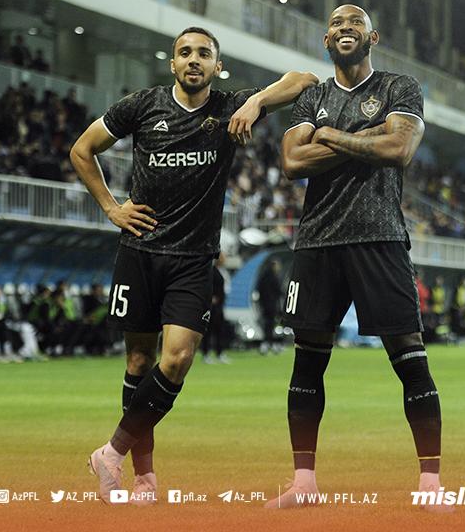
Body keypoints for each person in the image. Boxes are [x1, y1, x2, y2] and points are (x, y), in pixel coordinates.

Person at [71, 25, 317, 504]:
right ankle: (143, 478)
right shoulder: (143, 105)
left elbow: (303, 79)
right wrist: (111, 208)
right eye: (185, 52)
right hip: (140, 252)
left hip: (193, 260)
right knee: (138, 362)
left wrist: (256, 102)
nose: (193, 59)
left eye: (204, 53)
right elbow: (82, 150)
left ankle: (110, 453)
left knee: (178, 359)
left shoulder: (227, 107)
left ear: (216, 66)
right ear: (173, 63)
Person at [265, 4, 445, 510]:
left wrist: (330, 136)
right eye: (337, 24)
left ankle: (431, 485)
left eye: (355, 24)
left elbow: (399, 149)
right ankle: (303, 484)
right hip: (317, 242)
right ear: (326, 40)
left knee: (410, 358)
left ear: (373, 37)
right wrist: (367, 138)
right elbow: (292, 161)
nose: (346, 28)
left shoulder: (399, 87)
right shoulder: (313, 96)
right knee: (307, 363)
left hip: (379, 238)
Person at [256, 259, 283, 356]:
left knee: (267, 325)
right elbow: (278, 291)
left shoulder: (263, 276)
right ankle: (270, 344)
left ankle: (267, 344)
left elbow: (259, 289)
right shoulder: (274, 277)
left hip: (264, 304)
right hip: (271, 305)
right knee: (271, 325)